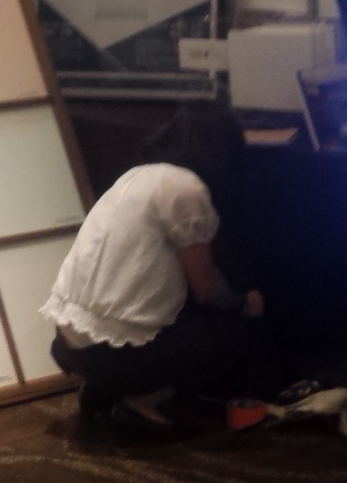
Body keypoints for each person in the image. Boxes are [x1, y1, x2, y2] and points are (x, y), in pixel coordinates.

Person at [42, 111, 281, 431]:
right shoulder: (186, 189)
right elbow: (207, 289)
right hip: (112, 353)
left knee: (174, 317)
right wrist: (244, 304)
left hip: (68, 342)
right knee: (230, 331)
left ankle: (107, 387)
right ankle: (145, 398)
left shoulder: (134, 176)